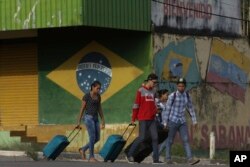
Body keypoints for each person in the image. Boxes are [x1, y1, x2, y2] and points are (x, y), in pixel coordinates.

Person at [126, 73, 164, 164]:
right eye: (154, 82)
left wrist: (157, 110)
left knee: (155, 138)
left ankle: (156, 159)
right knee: (142, 138)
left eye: (156, 83)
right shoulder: (140, 90)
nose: (155, 84)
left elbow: (154, 103)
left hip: (152, 119)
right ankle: (129, 155)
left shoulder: (154, 91)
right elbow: (136, 105)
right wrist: (133, 118)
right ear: (149, 80)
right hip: (143, 118)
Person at [162, 77, 200, 165]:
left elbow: (190, 108)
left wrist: (194, 121)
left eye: (182, 86)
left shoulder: (187, 95)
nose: (181, 88)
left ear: (185, 86)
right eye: (179, 86)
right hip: (173, 120)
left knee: (186, 139)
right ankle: (167, 158)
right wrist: (165, 122)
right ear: (177, 86)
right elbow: (167, 109)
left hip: (182, 121)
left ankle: (190, 159)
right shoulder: (172, 96)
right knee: (170, 140)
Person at [76, 80, 105, 162]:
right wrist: (78, 122)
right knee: (92, 137)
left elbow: (99, 108)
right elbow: (82, 109)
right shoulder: (86, 96)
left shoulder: (98, 96)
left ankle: (83, 149)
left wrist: (103, 120)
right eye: (97, 88)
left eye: (99, 89)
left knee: (97, 138)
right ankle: (91, 157)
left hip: (96, 118)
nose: (99, 90)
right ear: (93, 87)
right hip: (88, 118)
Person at [156, 89, 169, 153]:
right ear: (162, 95)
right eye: (166, 95)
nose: (167, 96)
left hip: (165, 125)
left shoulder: (167, 103)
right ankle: (156, 154)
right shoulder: (158, 104)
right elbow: (157, 115)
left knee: (167, 140)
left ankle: (157, 154)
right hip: (160, 125)